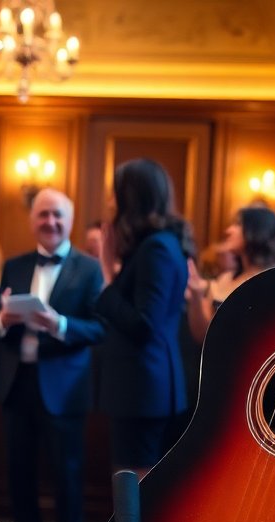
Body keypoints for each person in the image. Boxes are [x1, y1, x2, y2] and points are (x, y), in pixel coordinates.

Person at [0, 188, 104, 522]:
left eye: (57, 215)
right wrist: (1, 321)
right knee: (19, 470)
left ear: (69, 221)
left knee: (66, 472)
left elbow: (99, 329)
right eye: (43, 215)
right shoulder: (15, 265)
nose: (50, 222)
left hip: (64, 386)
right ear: (32, 220)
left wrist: (60, 324)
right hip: (17, 382)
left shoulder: (89, 268)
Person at [95, 159, 193, 476]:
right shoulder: (155, 245)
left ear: (131, 198)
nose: (110, 203)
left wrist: (107, 276)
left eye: (115, 194)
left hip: (143, 390)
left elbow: (143, 325)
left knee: (134, 487)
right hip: (142, 387)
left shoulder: (157, 249)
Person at [185, 206, 275, 344]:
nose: (228, 230)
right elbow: (203, 336)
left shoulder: (272, 281)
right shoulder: (226, 278)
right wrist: (196, 297)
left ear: (257, 230)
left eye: (238, 224)